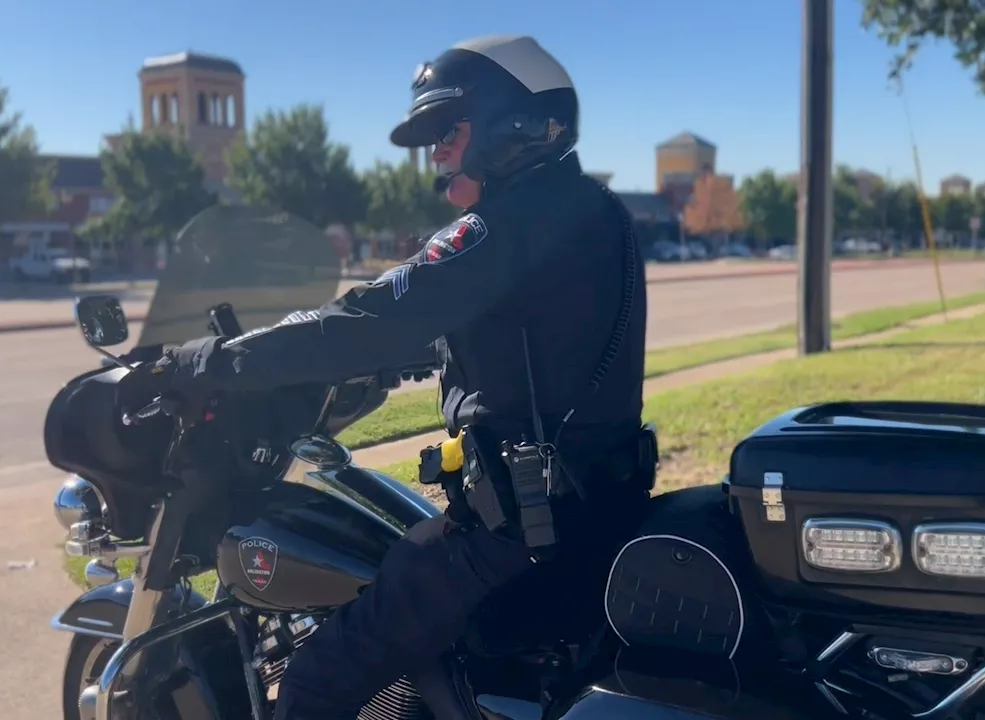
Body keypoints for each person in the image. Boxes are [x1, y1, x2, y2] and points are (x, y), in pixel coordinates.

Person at [148, 35, 651, 719]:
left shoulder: (503, 227)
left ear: (513, 121)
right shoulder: (592, 212)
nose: (436, 152)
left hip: (512, 542)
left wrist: (206, 361)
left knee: (314, 682)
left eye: (448, 129)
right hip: (592, 512)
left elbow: (369, 317)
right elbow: (530, 340)